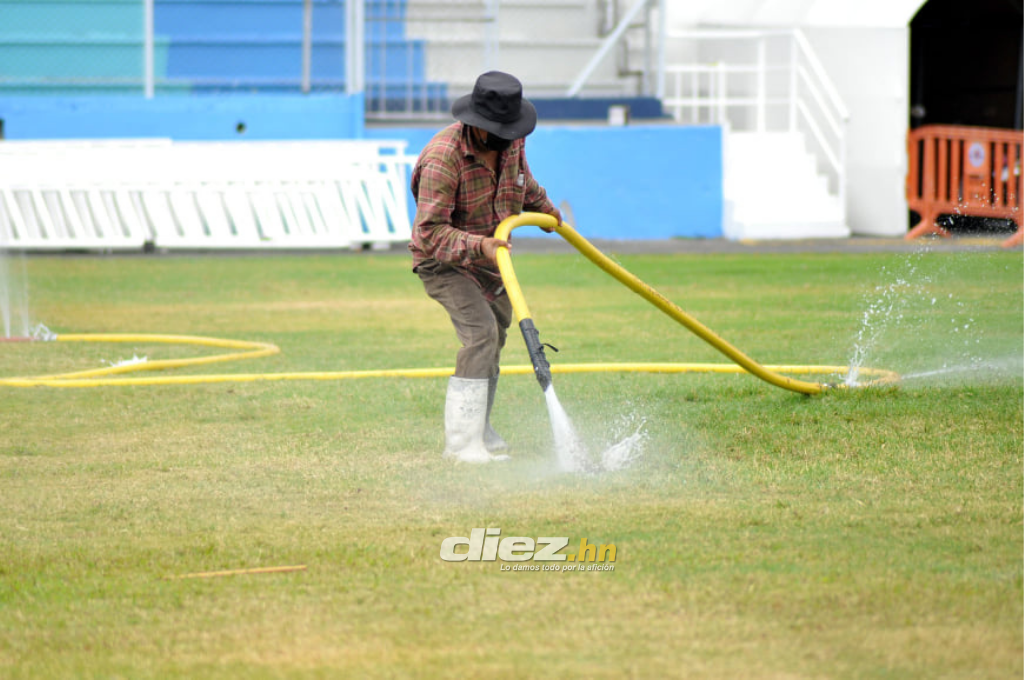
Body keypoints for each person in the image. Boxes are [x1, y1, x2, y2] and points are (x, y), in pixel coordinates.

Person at [410, 71, 561, 464]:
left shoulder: (511, 139)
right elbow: (429, 234)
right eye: (500, 130)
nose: (510, 139)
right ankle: (461, 445)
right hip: (444, 261)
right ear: (478, 126)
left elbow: (522, 181)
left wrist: (545, 210)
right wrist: (481, 246)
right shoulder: (444, 158)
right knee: (480, 334)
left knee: (496, 335)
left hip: (493, 261)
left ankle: (480, 429)